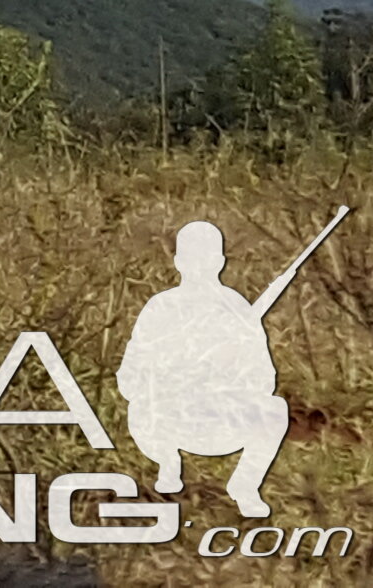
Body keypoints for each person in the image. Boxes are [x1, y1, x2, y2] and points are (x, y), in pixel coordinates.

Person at [119, 218, 293, 520]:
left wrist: (227, 372)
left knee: (275, 410)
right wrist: (170, 378)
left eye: (205, 257)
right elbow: (129, 376)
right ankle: (167, 463)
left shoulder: (238, 310)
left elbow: (264, 379)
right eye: (192, 257)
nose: (199, 265)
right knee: (139, 406)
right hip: (169, 419)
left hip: (221, 419)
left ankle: (245, 486)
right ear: (178, 261)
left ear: (219, 262)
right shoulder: (160, 307)